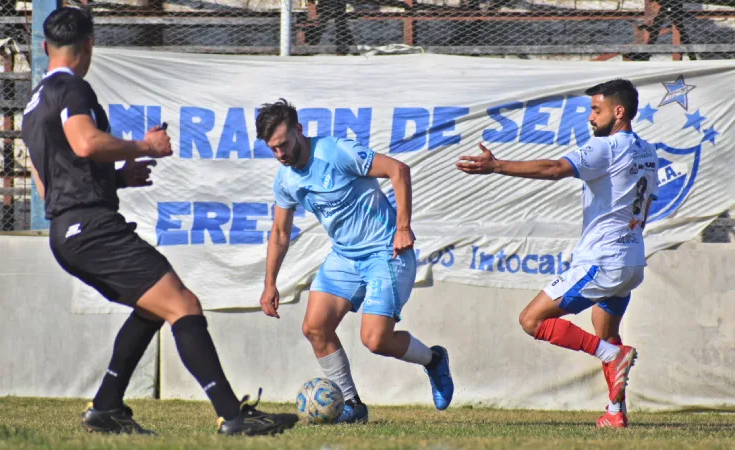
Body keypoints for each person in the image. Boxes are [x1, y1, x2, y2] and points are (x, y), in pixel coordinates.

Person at [20, 6, 298, 436]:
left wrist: (116, 179)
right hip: (92, 227)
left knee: (151, 308)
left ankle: (107, 407)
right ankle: (233, 416)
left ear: (45, 47)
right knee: (183, 304)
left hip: (66, 232)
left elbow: (49, 181)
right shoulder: (72, 91)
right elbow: (85, 142)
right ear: (89, 45)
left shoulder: (33, 105)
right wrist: (142, 145)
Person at [455, 79, 659, 428]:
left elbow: (554, 169)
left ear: (619, 112)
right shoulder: (648, 151)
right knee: (605, 332)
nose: (591, 118)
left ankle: (613, 356)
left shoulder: (608, 148)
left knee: (532, 321)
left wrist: (497, 166)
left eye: (597, 110)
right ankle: (615, 413)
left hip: (602, 261)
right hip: (632, 261)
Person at [256, 98, 454, 423]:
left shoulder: (335, 152)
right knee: (315, 328)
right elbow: (279, 232)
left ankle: (433, 360)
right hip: (344, 258)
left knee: (375, 340)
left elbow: (398, 170)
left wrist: (403, 228)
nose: (281, 154)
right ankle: (352, 405)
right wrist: (269, 285)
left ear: (299, 131)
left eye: (284, 145)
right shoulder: (286, 179)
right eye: (273, 149)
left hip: (386, 254)